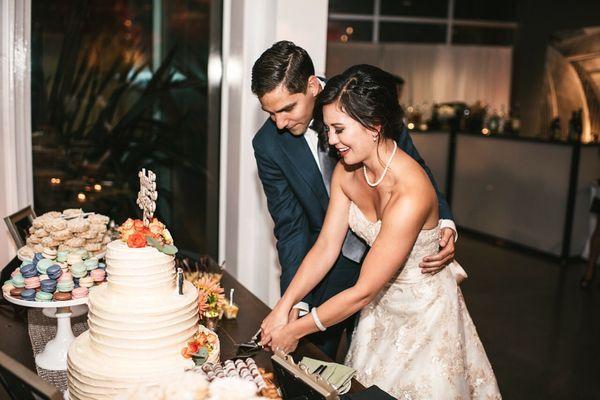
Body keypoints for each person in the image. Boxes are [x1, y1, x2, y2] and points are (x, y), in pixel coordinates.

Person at [260, 65, 500, 398]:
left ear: (374, 126)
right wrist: (284, 306)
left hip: (424, 315)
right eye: (328, 129)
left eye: (339, 129)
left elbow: (362, 290)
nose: (330, 140)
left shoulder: (410, 192)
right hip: (381, 309)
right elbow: (326, 246)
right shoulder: (347, 170)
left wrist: (296, 330)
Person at [251, 41, 457, 359]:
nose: (278, 123)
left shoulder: (365, 101)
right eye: (270, 113)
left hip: (409, 284)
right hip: (329, 271)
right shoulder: (273, 146)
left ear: (310, 87)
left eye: (287, 109)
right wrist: (290, 303)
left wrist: (441, 221)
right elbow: (292, 228)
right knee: (320, 364)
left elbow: (417, 169)